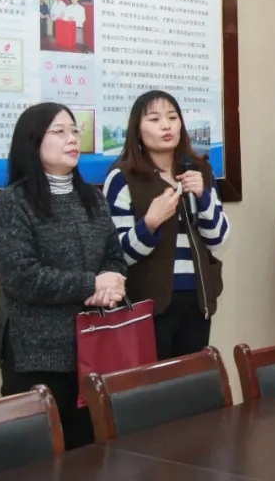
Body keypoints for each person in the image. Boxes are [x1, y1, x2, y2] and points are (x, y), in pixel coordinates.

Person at [0, 103, 127, 449]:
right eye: (60, 131)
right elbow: (21, 277)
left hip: (93, 351)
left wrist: (112, 280)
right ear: (33, 141)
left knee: (91, 453)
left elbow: (114, 256)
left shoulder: (92, 199)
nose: (72, 139)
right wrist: (90, 284)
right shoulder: (13, 202)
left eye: (74, 131)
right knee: (39, 459)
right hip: (36, 356)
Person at [103, 90, 231, 360]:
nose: (166, 125)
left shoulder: (200, 171)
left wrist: (202, 197)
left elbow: (218, 239)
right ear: (137, 130)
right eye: (154, 119)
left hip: (197, 300)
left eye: (172, 118)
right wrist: (150, 223)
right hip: (146, 304)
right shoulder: (122, 178)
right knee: (153, 383)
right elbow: (117, 254)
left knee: (192, 380)